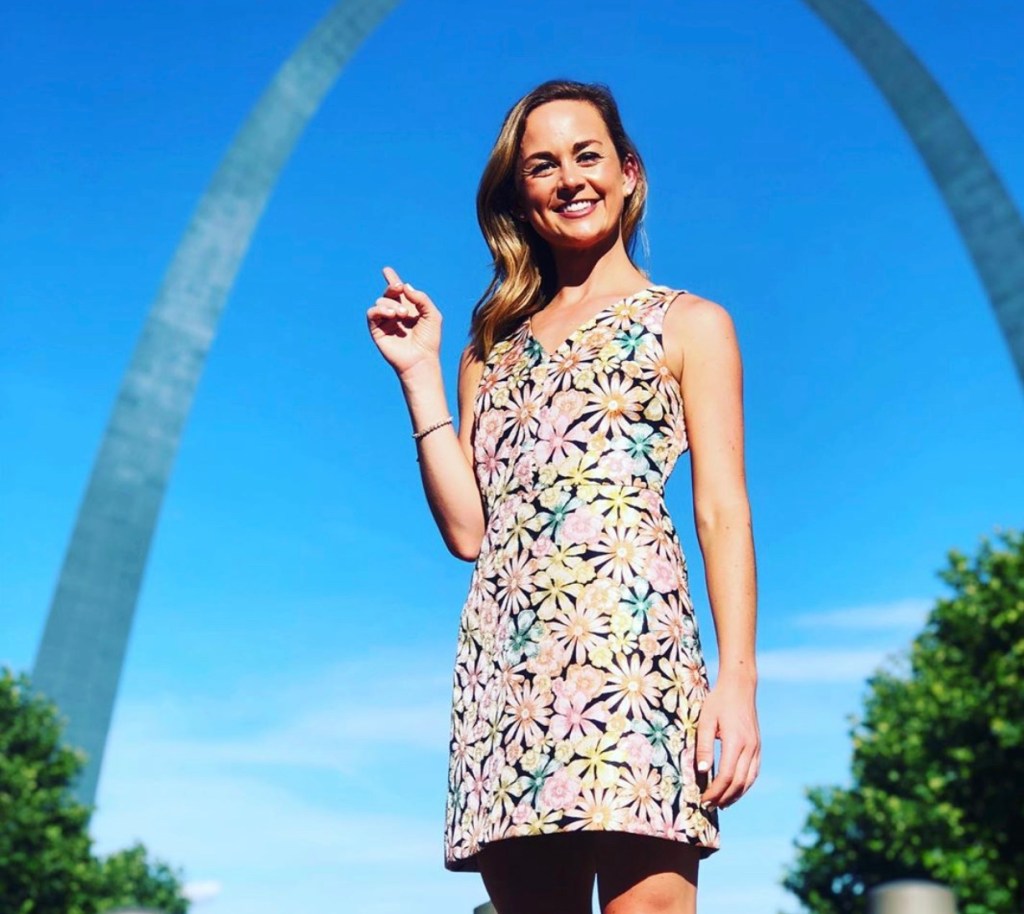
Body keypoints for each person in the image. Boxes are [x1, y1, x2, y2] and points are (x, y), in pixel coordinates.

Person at [366, 79, 760, 914]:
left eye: (587, 156)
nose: (569, 179)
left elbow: (722, 509)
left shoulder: (690, 323)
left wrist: (738, 683)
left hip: (633, 662)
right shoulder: (489, 352)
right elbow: (470, 532)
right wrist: (420, 375)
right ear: (521, 196)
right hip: (507, 670)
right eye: (542, 166)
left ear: (628, 172)